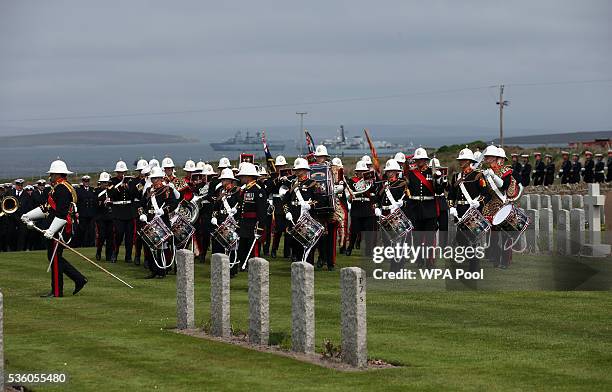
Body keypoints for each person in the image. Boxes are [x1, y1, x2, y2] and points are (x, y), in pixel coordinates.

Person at [21, 159, 87, 297]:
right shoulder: (59, 187)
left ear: (57, 174)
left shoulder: (62, 189)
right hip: (57, 226)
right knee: (54, 257)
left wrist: (51, 230)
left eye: (51, 174)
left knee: (55, 258)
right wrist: (29, 215)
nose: (50, 176)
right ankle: (79, 279)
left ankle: (57, 291)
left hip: (60, 228)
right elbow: (47, 208)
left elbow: (62, 213)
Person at [447, 148, 488, 272]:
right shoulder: (456, 177)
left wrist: (478, 202)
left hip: (473, 211)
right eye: (460, 160)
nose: (461, 162)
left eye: (464, 160)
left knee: (473, 239)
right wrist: (452, 207)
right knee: (461, 238)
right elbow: (451, 195)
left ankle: (474, 266)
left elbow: (485, 193)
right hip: (459, 211)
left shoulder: (478, 175)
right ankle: (471, 260)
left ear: (470, 161)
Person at [403, 149, 443, 268]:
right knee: (417, 237)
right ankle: (420, 259)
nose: (420, 161)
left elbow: (439, 191)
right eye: (417, 159)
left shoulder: (433, 172)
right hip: (415, 209)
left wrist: (439, 180)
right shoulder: (411, 174)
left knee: (430, 237)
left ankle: (429, 261)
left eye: (422, 159)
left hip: (429, 208)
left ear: (426, 160)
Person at [139, 166, 179, 279]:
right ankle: (153, 269)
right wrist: (142, 213)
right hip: (150, 220)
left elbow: (173, 203)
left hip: (162, 220)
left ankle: (162, 269)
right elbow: (141, 204)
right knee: (149, 246)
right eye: (152, 178)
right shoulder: (148, 190)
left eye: (155, 178)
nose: (153, 180)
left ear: (161, 178)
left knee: (162, 246)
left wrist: (164, 210)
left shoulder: (167, 190)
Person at [481, 146, 517, 269]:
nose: (486, 158)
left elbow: (504, 186)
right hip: (492, 206)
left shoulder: (506, 171)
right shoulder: (486, 172)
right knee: (494, 236)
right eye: (486, 156)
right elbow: (486, 192)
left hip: (504, 206)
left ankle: (505, 261)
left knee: (506, 236)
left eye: (489, 156)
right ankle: (496, 259)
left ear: (495, 158)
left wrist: (493, 176)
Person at [283, 158, 320, 264]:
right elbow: (285, 201)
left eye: (300, 169)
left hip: (306, 216)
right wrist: (287, 212)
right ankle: (297, 263)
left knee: (307, 241)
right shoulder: (292, 184)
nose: (298, 171)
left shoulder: (313, 184)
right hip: (293, 216)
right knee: (294, 241)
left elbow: (319, 200)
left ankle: (308, 263)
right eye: (296, 169)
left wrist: (310, 206)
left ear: (305, 170)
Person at [233, 162, 267, 277]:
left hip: (253, 224)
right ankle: (243, 264)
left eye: (242, 176)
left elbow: (262, 211)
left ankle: (254, 268)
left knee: (253, 249)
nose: (240, 178)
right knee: (242, 246)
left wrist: (260, 227)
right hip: (244, 223)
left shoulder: (258, 190)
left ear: (248, 176)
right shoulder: (245, 190)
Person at [312, 145, 337, 271]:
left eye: (322, 157)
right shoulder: (311, 168)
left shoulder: (333, 169)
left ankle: (330, 261)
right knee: (319, 235)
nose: (320, 159)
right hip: (317, 206)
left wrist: (336, 188)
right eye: (318, 157)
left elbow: (338, 183)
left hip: (330, 205)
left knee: (330, 236)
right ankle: (321, 258)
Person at [346, 160, 377, 256]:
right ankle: (350, 247)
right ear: (356, 172)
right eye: (360, 171)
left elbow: (373, 195)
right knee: (354, 231)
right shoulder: (352, 181)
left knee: (369, 232)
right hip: (356, 208)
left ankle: (368, 250)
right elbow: (349, 198)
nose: (362, 173)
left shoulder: (371, 182)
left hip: (367, 208)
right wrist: (350, 197)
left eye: (364, 171)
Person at [108, 160, 136, 263]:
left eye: (123, 172)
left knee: (129, 236)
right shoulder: (112, 181)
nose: (121, 174)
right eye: (120, 172)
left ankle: (128, 256)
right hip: (118, 211)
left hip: (128, 210)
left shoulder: (130, 181)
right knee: (118, 234)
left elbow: (134, 194)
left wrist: (128, 188)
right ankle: (115, 253)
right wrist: (119, 186)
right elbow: (110, 193)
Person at [210, 168, 241, 255]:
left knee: (231, 250)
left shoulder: (236, 191)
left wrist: (236, 212)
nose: (222, 181)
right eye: (222, 179)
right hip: (220, 223)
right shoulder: (221, 191)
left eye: (224, 179)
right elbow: (216, 207)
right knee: (217, 248)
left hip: (231, 223)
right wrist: (214, 217)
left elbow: (240, 205)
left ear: (230, 180)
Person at [269, 155, 293, 259]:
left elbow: (291, 189)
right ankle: (274, 250)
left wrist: (287, 180)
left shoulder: (290, 177)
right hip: (278, 206)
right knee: (278, 230)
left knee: (288, 230)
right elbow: (270, 188)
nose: (281, 168)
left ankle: (287, 252)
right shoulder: (273, 177)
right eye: (279, 166)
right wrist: (278, 179)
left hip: (287, 205)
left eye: (283, 166)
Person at [94, 172, 114, 262]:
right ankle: (99, 251)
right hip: (100, 216)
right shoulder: (97, 191)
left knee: (110, 236)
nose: (105, 184)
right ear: (100, 183)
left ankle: (108, 255)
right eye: (103, 182)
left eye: (106, 183)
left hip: (110, 216)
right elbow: (95, 203)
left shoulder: (111, 191)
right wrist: (102, 202)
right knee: (101, 236)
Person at [75, 175, 97, 247]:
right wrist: (76, 212)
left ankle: (91, 244)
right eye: (85, 181)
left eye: (87, 181)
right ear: (83, 182)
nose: (86, 182)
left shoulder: (92, 189)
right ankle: (82, 244)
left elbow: (94, 201)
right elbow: (77, 202)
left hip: (91, 213)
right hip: (83, 213)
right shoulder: (79, 190)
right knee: (82, 229)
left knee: (91, 230)